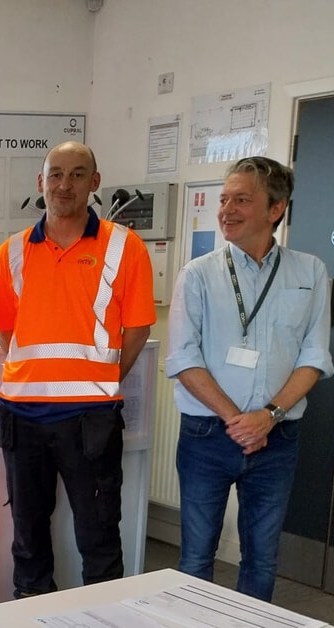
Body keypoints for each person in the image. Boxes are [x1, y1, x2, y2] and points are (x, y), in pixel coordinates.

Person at [0, 141, 155, 597]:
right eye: (55, 174)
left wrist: (101, 379)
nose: (64, 184)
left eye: (78, 174)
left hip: (91, 419)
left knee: (98, 536)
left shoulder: (125, 247)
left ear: (94, 184)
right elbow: (6, 333)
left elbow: (138, 327)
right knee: (27, 535)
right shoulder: (12, 252)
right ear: (40, 183)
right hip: (22, 416)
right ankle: (31, 614)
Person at [165, 156, 332, 601]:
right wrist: (240, 421)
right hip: (207, 435)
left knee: (261, 557)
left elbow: (315, 356)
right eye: (224, 199)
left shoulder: (310, 272)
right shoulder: (197, 274)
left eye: (242, 199)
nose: (227, 210)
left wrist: (268, 417)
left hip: (278, 439)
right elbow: (183, 358)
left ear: (275, 209)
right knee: (196, 557)